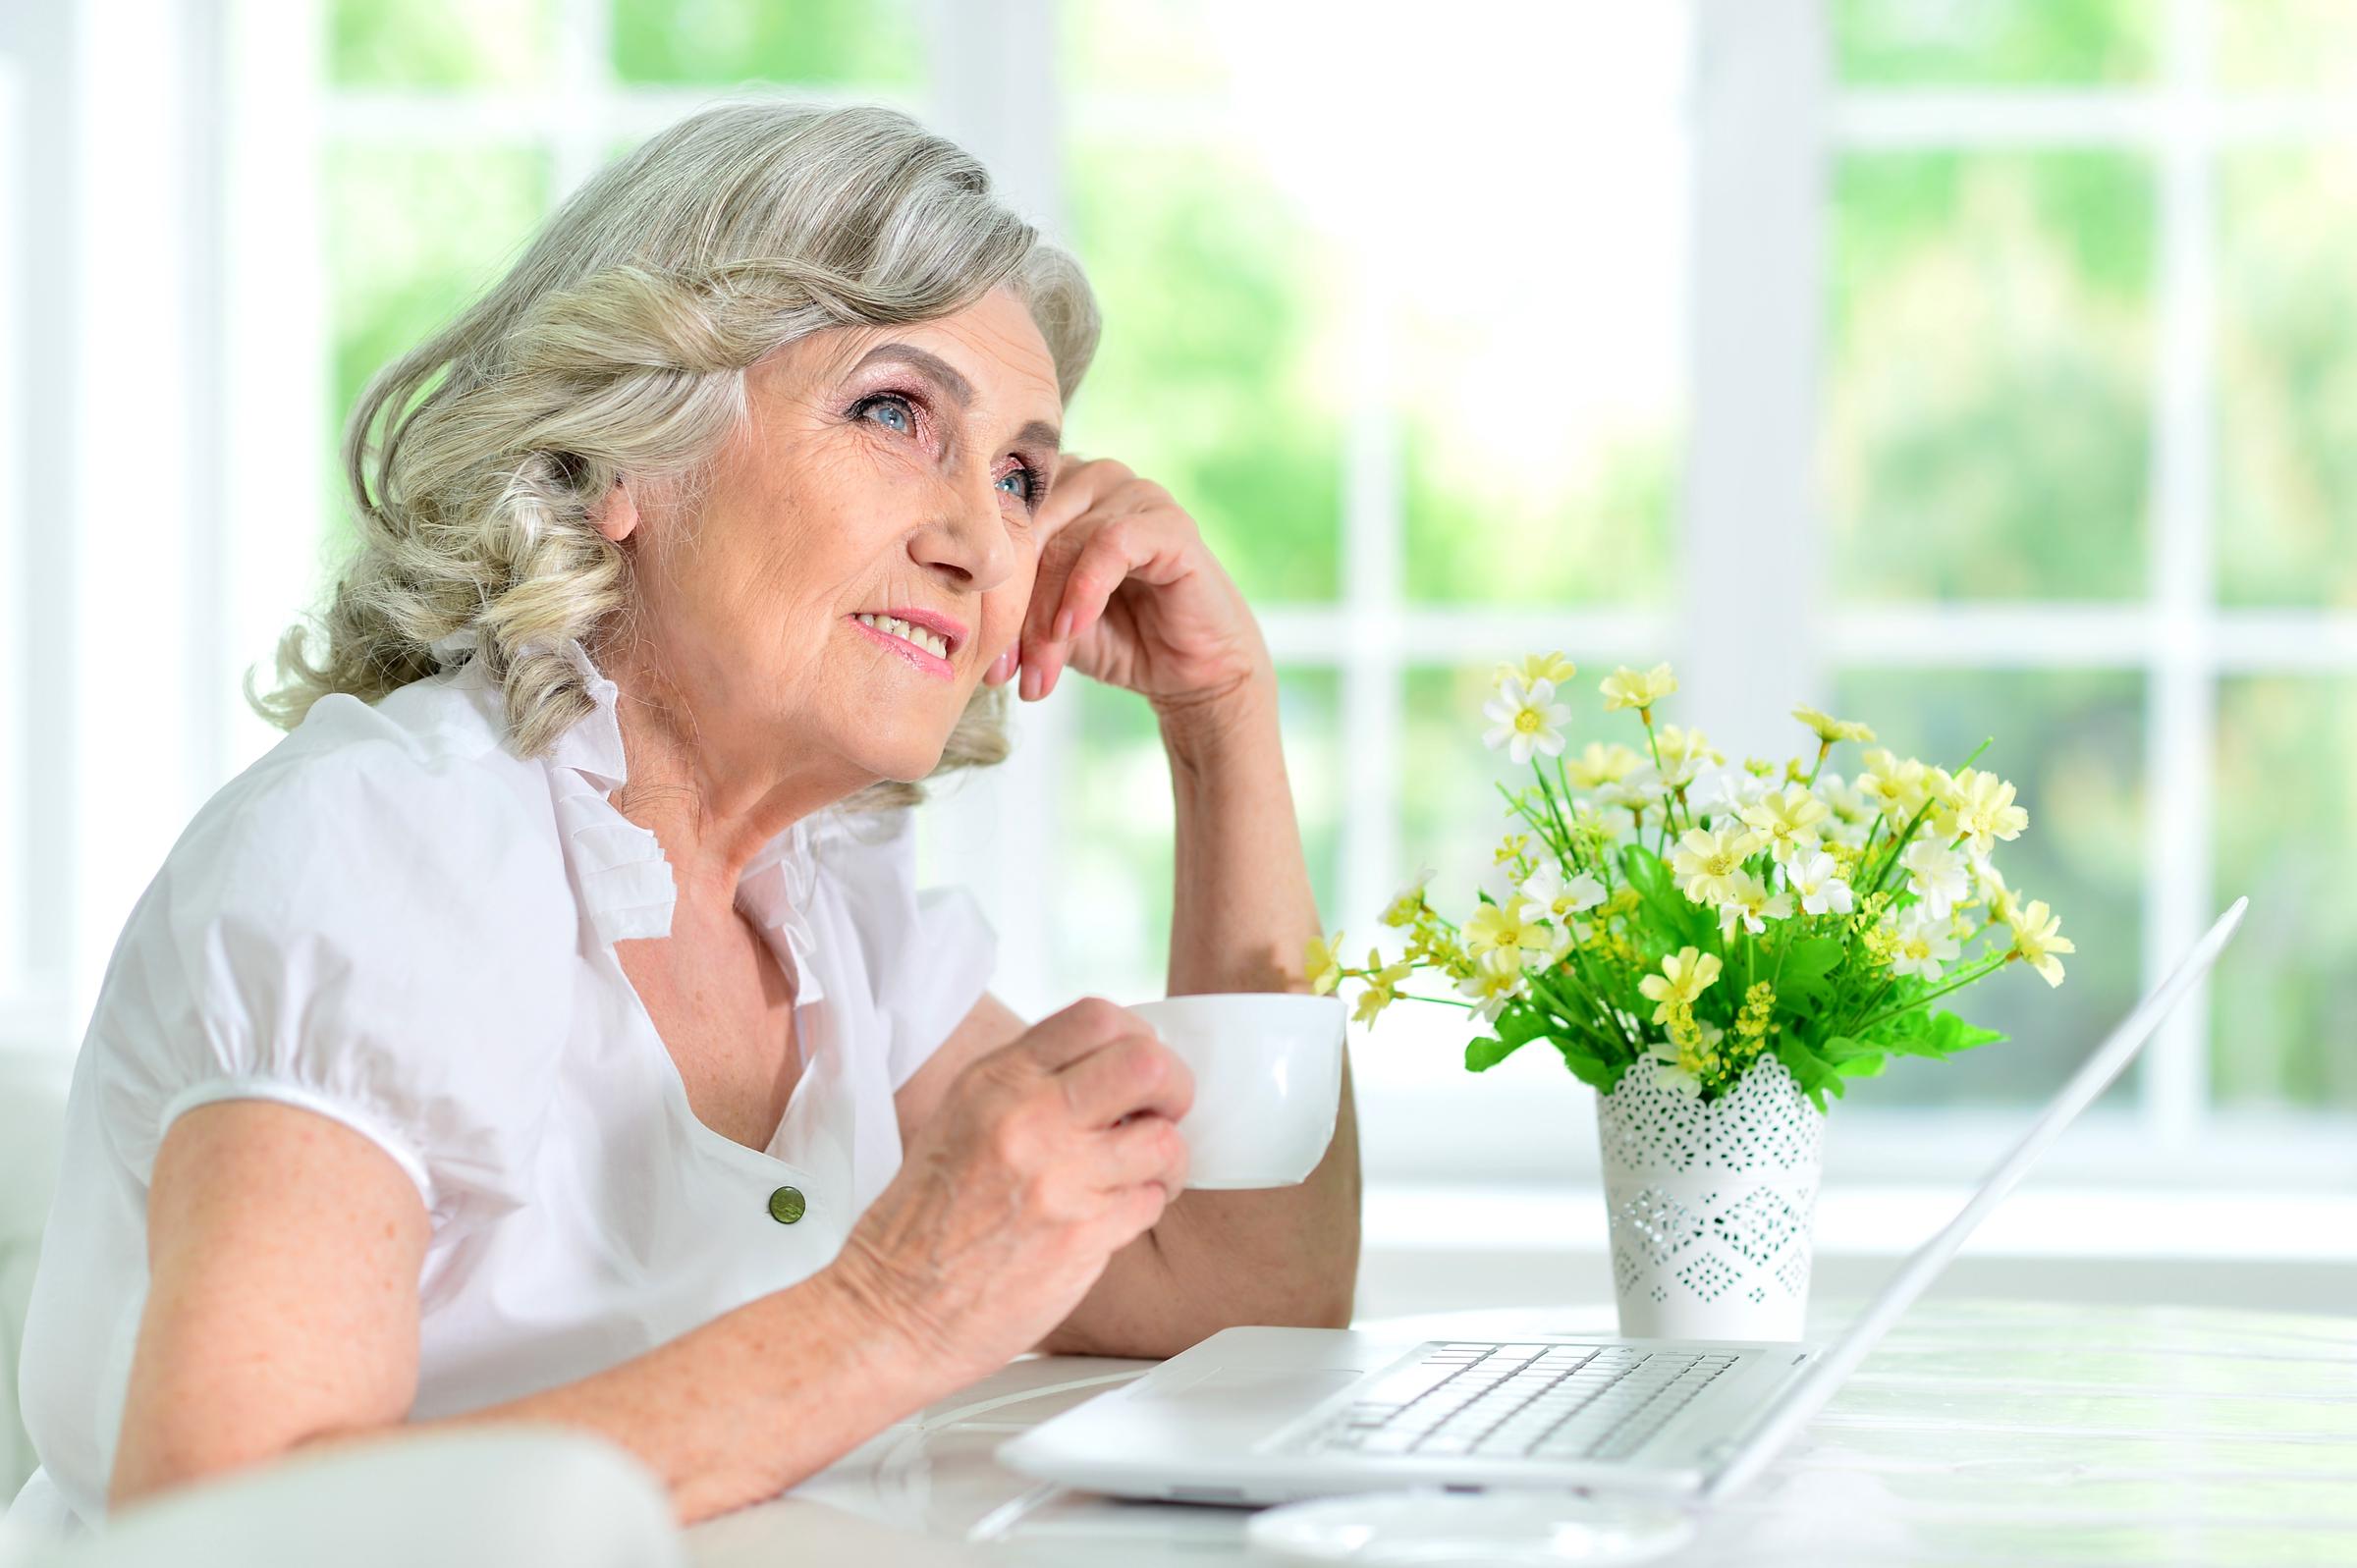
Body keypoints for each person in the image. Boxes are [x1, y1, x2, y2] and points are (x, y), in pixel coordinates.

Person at [6, 99, 1358, 1541]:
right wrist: (895, 1306)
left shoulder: (827, 906)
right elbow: (219, 1526)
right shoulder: (387, 848)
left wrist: (1222, 724)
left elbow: (1237, 1283)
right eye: (895, 412)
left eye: (1023, 472)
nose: (977, 537)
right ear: (627, 456)